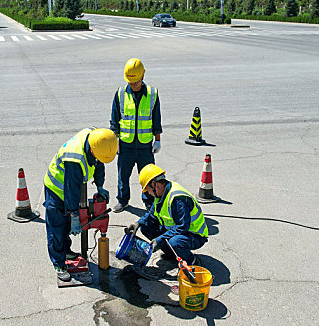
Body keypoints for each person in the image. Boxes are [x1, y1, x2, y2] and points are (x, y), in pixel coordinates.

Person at [43, 128, 118, 281]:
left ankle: (66, 250)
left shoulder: (98, 138)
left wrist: (99, 186)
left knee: (66, 225)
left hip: (69, 187)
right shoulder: (74, 160)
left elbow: (99, 163)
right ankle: (59, 262)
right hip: (56, 188)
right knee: (58, 227)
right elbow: (71, 190)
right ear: (92, 148)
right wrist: (74, 215)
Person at [126, 164, 208, 266]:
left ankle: (192, 262)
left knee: (175, 242)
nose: (149, 194)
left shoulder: (177, 198)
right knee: (146, 227)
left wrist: (159, 240)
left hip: (194, 235)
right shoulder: (160, 195)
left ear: (154, 184)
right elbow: (152, 214)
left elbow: (182, 227)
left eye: (148, 190)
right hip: (179, 231)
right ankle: (173, 255)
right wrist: (138, 223)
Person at [110, 58, 162, 213]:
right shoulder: (120, 94)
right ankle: (123, 200)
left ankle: (148, 201)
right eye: (130, 82)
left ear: (143, 77)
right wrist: (114, 142)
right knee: (123, 176)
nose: (133, 85)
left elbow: (156, 119)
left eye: (136, 82)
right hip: (125, 145)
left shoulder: (152, 94)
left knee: (147, 177)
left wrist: (157, 140)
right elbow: (114, 121)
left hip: (145, 145)